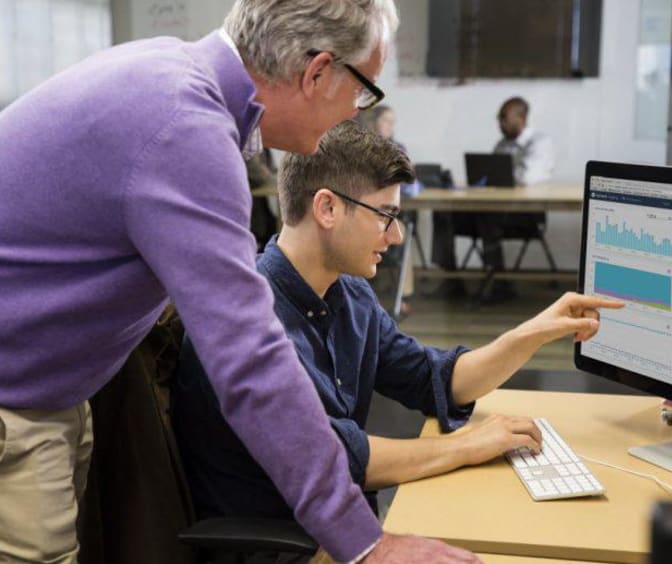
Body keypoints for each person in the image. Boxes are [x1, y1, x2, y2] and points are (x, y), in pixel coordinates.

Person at [0, 1, 477, 562]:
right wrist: (364, 542)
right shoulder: (186, 129)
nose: (355, 112)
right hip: (16, 400)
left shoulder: (171, 75)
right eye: (364, 89)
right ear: (317, 72)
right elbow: (250, 357)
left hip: (53, 386)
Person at [171, 121, 623, 531]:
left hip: (340, 523)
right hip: (288, 545)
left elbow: (432, 378)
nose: (397, 236)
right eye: (385, 215)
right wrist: (469, 445)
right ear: (327, 209)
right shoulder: (248, 322)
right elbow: (339, 458)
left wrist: (535, 331)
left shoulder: (346, 294)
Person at [432, 96, 555, 300]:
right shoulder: (502, 144)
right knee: (443, 213)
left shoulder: (540, 143)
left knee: (486, 215)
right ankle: (450, 278)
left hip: (525, 214)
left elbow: (526, 177)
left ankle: (497, 281)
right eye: (499, 119)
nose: (500, 124)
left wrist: (499, 175)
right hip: (494, 209)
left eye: (504, 118)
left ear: (521, 117)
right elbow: (490, 175)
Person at [362, 105, 421, 316]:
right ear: (374, 121)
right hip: (361, 212)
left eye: (392, 121)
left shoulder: (398, 149)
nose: (390, 126)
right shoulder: (360, 148)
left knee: (402, 231)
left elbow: (411, 185)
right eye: (386, 120)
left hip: (387, 215)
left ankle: (402, 298)